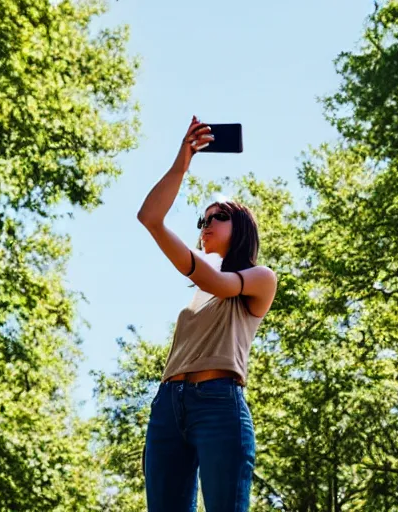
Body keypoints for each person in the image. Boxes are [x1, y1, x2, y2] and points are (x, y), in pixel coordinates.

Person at [136, 116, 278, 512]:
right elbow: (149, 217)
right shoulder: (200, 284)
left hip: (219, 404)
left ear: (242, 227)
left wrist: (196, 261)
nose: (207, 224)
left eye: (218, 216)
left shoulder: (261, 279)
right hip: (168, 404)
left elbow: (222, 285)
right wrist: (183, 161)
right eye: (203, 219)